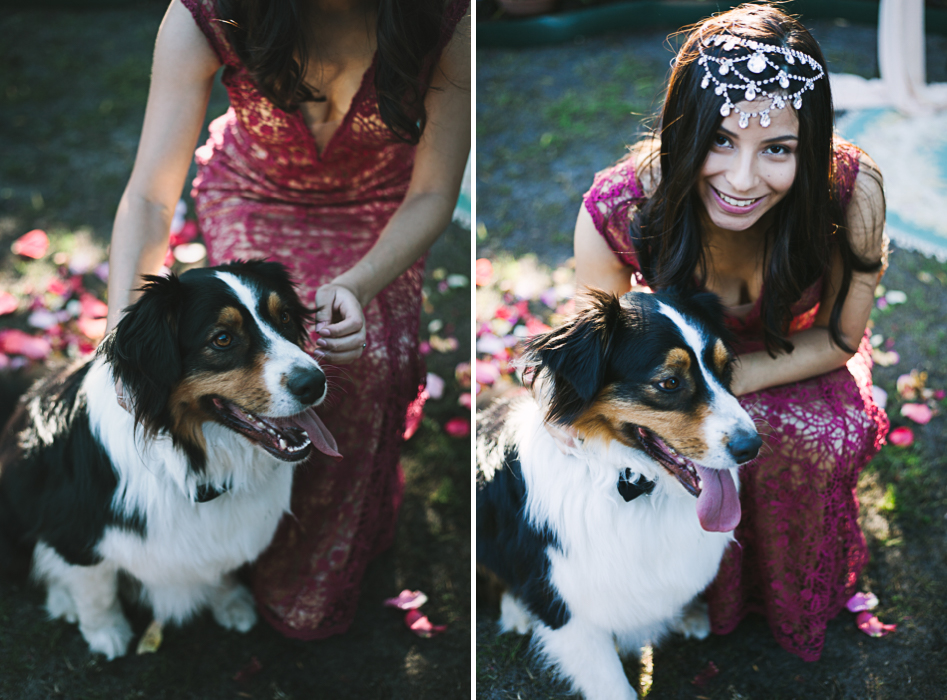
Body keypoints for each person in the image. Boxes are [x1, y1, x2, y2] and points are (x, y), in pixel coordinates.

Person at [104, 0, 470, 639]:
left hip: (383, 211)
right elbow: (147, 195)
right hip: (253, 196)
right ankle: (239, 533)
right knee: (281, 364)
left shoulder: (447, 19)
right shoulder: (207, 14)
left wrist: (357, 285)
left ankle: (327, 543)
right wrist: (119, 336)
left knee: (368, 363)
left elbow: (435, 193)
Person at [572, 4, 888, 661]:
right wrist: (690, 395)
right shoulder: (619, 209)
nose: (742, 180)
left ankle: (785, 589)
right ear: (683, 130)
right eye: (720, 140)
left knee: (812, 438)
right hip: (679, 370)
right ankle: (683, 586)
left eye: (777, 149)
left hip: (796, 354)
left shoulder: (850, 193)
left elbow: (838, 337)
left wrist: (727, 384)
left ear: (814, 142)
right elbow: (597, 358)